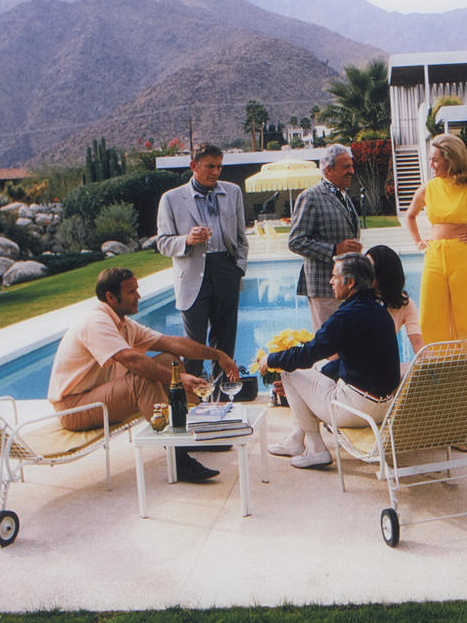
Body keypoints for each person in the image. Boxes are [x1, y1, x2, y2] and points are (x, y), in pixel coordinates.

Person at [47, 266, 241, 483]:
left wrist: (217, 355)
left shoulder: (123, 323)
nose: (138, 296)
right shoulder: (96, 322)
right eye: (131, 291)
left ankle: (194, 431)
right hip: (75, 408)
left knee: (170, 360)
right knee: (142, 378)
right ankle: (179, 461)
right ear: (111, 297)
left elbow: (172, 343)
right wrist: (178, 379)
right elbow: (131, 360)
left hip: (99, 397)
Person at [258, 252, 401, 469]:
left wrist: (271, 359)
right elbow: (353, 360)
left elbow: (306, 355)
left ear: (350, 282)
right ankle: (296, 440)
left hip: (356, 410)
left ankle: (316, 449)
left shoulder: (345, 317)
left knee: (290, 371)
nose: (330, 281)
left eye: (335, 276)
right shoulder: (379, 312)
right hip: (384, 407)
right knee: (317, 368)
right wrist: (320, 374)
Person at [156, 144, 249, 379]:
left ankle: (221, 401)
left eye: (219, 166)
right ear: (193, 166)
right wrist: (186, 240)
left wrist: (238, 269)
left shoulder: (233, 192)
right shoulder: (171, 199)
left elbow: (241, 238)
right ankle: (192, 401)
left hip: (226, 270)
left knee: (225, 341)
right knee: (193, 344)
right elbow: (163, 243)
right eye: (210, 166)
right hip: (192, 274)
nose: (216, 172)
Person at [404, 134, 467, 346]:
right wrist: (418, 242)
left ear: (451, 159)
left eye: (436, 160)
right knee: (429, 320)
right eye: (430, 159)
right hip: (434, 257)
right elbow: (409, 216)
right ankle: (438, 377)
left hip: (463, 257)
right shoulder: (427, 189)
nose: (431, 165)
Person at [288, 144, 363, 329]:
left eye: (351, 166)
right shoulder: (311, 197)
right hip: (324, 286)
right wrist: (334, 249)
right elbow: (295, 241)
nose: (352, 171)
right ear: (329, 170)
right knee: (330, 347)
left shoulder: (343, 195)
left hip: (347, 286)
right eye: (346, 167)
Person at [366, 244, 423, 356]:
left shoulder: (405, 304)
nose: (364, 272)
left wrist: (430, 370)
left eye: (369, 268)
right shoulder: (359, 299)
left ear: (384, 272)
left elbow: (417, 341)